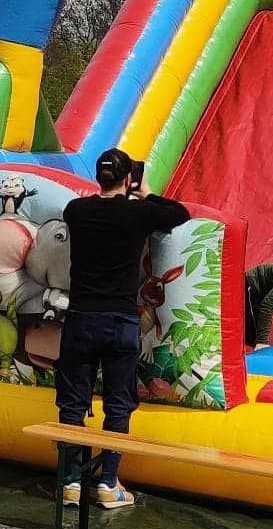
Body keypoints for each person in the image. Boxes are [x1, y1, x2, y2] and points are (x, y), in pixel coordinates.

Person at [56, 148, 190, 510]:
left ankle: (70, 483)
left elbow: (91, 206)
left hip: (81, 317)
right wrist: (145, 191)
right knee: (118, 404)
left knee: (72, 403)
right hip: (120, 321)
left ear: (99, 177)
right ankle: (108, 482)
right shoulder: (139, 213)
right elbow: (180, 213)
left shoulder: (76, 211)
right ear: (127, 177)